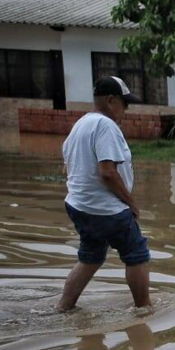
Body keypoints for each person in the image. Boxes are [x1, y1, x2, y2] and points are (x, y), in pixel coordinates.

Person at [56, 77, 151, 313]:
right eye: (125, 103)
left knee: (90, 257)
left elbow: (66, 168)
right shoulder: (105, 125)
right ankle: (144, 310)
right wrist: (131, 204)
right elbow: (107, 172)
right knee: (136, 254)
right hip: (105, 209)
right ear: (110, 100)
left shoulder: (81, 124)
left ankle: (64, 307)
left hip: (79, 206)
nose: (126, 110)